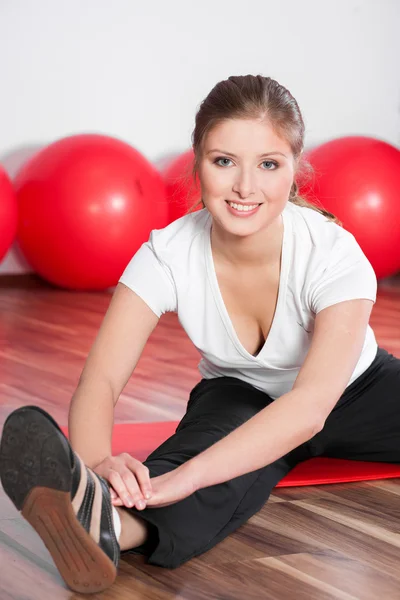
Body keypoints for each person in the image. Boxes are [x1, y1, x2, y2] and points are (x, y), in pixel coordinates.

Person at [1, 74, 399, 594]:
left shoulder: (333, 254)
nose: (245, 187)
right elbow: (99, 381)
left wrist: (190, 476)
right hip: (240, 395)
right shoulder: (166, 254)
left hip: (353, 391)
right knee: (193, 462)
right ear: (197, 162)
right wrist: (98, 466)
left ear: (295, 171)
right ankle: (108, 527)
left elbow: (309, 409)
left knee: (194, 472)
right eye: (224, 161)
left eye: (269, 165)